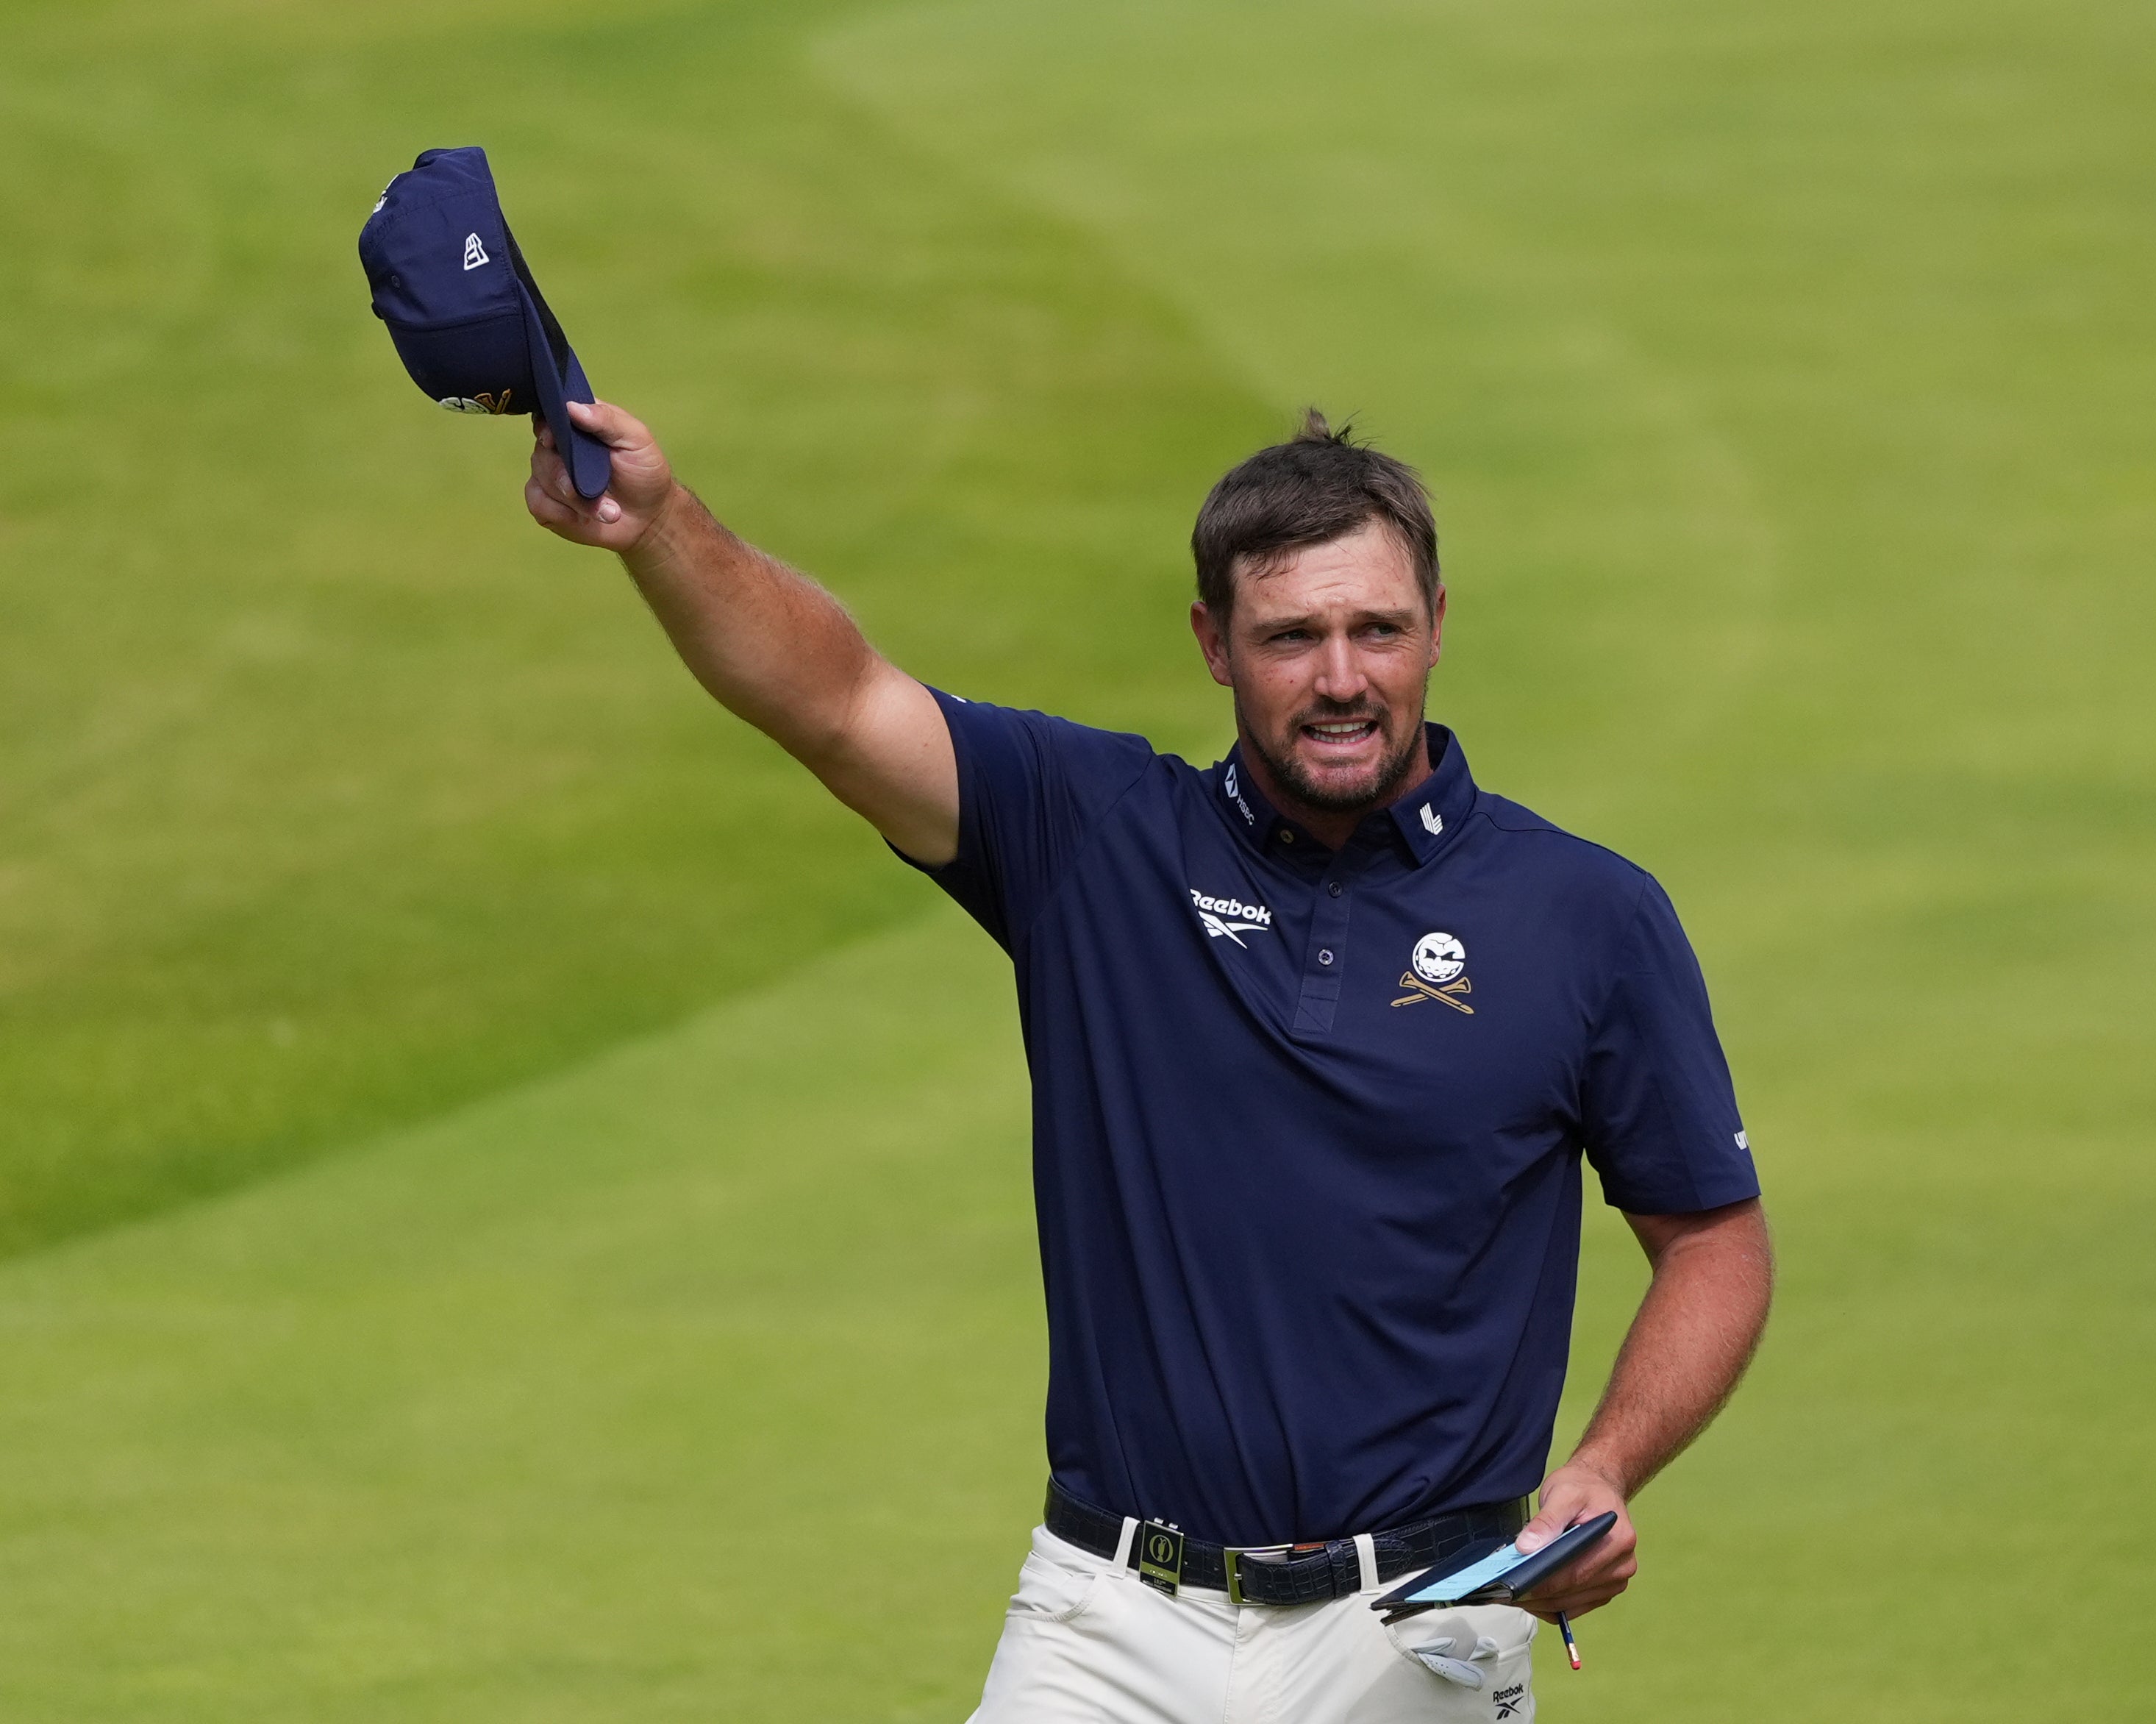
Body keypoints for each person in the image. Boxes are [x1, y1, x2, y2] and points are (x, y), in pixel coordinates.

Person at [523, 397, 1774, 1722]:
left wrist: (1605, 1468)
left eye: (1377, 631)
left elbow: (1715, 1241)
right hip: (1106, 1620)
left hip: (1423, 1629)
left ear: (1438, 629)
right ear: (1212, 648)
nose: (1342, 678)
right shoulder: (1095, 837)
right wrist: (658, 527)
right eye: (1291, 637)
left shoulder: (1586, 915)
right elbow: (834, 700)